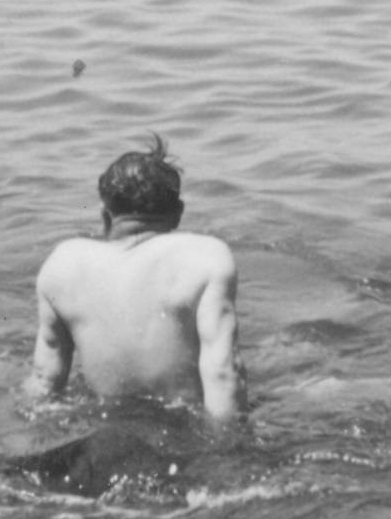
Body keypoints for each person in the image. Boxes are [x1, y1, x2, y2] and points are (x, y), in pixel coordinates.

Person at [25, 136, 245, 424]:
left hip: (105, 428)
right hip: (179, 428)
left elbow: (45, 379)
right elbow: (224, 371)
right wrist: (231, 451)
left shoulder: (63, 264)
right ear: (178, 214)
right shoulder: (205, 257)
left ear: (106, 217)